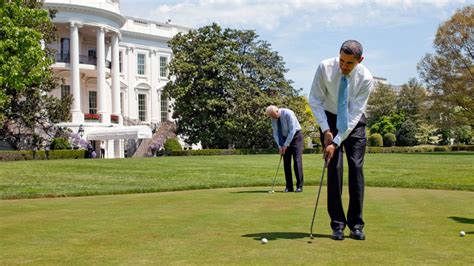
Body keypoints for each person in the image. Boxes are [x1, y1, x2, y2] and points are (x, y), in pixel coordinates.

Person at [309, 40, 373, 241]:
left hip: (354, 123)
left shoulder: (366, 78)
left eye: (349, 63)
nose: (343, 66)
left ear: (359, 60)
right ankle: (337, 225)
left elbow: (354, 114)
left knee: (355, 168)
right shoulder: (324, 67)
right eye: (342, 60)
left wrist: (336, 142)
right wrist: (326, 129)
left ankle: (356, 225)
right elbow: (315, 100)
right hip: (329, 118)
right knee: (334, 169)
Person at [266, 105, 304, 193]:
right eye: (271, 117)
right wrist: (280, 146)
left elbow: (292, 130)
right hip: (283, 137)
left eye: (273, 116)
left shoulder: (288, 113)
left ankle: (299, 186)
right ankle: (289, 186)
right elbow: (275, 133)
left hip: (296, 137)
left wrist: (286, 145)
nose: (273, 118)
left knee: (297, 161)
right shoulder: (273, 118)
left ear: (276, 111)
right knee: (286, 162)